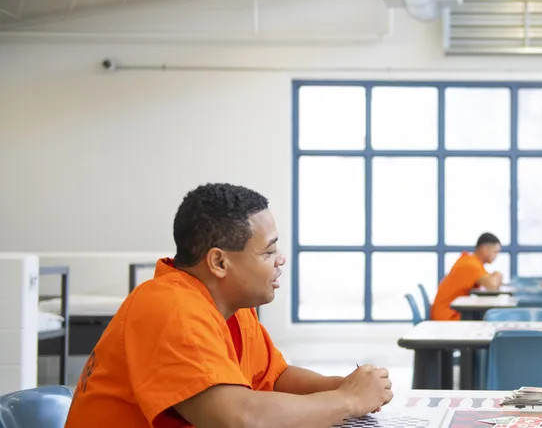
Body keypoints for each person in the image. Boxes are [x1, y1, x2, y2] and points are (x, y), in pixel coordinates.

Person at [65, 183, 393, 428]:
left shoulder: (231, 307)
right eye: (267, 252)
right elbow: (239, 417)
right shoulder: (170, 307)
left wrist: (346, 386)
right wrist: (347, 400)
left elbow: (275, 378)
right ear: (219, 262)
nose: (279, 260)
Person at [430, 233, 504, 321]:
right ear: (484, 249)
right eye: (495, 252)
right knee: (486, 319)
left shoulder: (472, 261)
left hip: (450, 311)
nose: (496, 256)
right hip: (447, 315)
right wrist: (497, 274)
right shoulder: (471, 265)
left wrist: (495, 276)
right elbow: (492, 285)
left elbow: (490, 281)